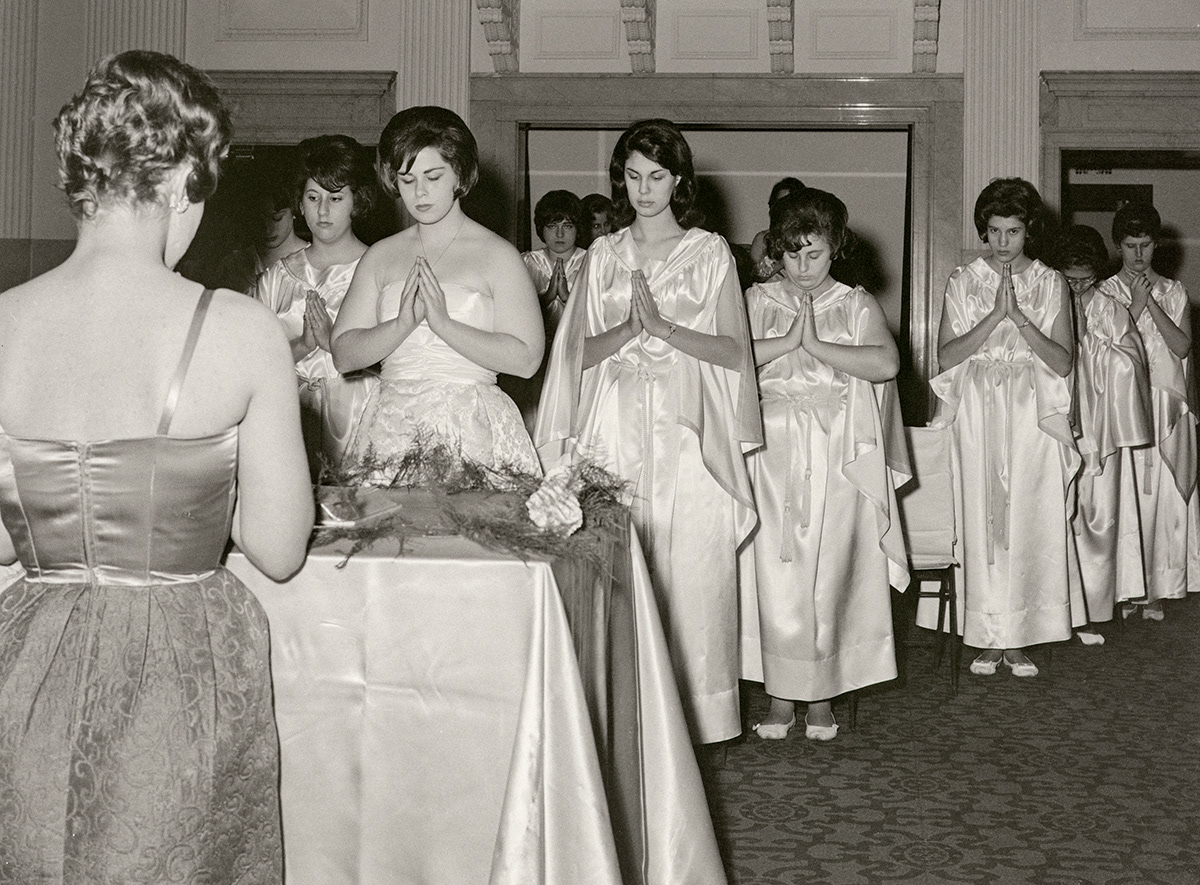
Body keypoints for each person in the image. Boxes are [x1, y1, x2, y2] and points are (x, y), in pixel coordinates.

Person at [0, 50, 313, 882]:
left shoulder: (4, 323)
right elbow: (279, 548)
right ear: (179, 181)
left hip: (28, 660)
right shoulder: (240, 329)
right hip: (178, 664)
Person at [535, 118, 762, 745]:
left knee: (690, 566)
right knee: (615, 561)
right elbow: (573, 354)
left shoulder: (710, 251)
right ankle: (615, 713)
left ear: (679, 180)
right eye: (633, 176)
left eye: (657, 176)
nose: (644, 189)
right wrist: (632, 330)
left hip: (687, 428)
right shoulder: (602, 257)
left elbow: (733, 352)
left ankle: (695, 716)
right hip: (613, 425)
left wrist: (664, 330)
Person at [743, 188, 910, 741]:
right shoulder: (756, 298)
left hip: (837, 454)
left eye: (813, 254)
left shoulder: (856, 303)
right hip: (772, 455)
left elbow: (886, 363)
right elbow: (728, 359)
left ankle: (821, 697)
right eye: (792, 255)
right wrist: (786, 339)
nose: (803, 266)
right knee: (777, 575)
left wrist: (813, 345)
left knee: (830, 574)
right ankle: (778, 695)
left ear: (835, 247)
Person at [332, 106, 543, 480]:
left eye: (433, 176)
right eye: (407, 179)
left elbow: (526, 359)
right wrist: (402, 324)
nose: (420, 192)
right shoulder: (382, 255)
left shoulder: (498, 255)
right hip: (391, 426)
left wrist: (444, 324)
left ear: (459, 173)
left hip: (472, 427)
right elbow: (344, 354)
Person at [921, 177, 1079, 678]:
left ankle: (1019, 634)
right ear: (983, 232)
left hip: (1031, 413)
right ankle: (987, 633)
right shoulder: (962, 281)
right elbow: (945, 357)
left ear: (1028, 230)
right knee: (982, 520)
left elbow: (1064, 360)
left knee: (1026, 520)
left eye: (1013, 231)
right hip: (977, 411)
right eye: (994, 232)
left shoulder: (1051, 282)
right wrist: (994, 317)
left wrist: (1023, 321)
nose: (1003, 243)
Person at [1096, 202, 1199, 618]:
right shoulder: (1104, 292)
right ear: (1118, 247)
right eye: (1130, 246)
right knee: (1128, 495)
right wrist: (1134, 304)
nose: (1138, 255)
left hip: (1165, 401)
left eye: (1146, 245)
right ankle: (1126, 586)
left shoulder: (1173, 290)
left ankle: (1158, 585)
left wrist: (1152, 302)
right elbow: (1109, 346)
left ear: (1156, 246)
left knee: (1162, 499)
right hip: (1126, 404)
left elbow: (1182, 346)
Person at [254, 134, 379, 476]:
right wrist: (305, 344)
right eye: (313, 197)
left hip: (361, 414)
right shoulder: (275, 279)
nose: (323, 211)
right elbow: (254, 363)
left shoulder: (379, 269)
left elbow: (400, 363)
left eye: (335, 198)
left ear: (357, 201)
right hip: (289, 415)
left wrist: (335, 346)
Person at [1052, 224, 1152, 642]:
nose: (1076, 289)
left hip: (1102, 426)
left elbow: (1133, 362)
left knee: (1100, 516)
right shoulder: (1049, 303)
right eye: (1068, 280)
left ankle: (1094, 606)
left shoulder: (1111, 308)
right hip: (1059, 425)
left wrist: (1093, 348)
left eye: (1085, 280)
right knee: (1057, 513)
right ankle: (1059, 609)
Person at [211, 153, 308, 294]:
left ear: (294, 211)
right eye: (259, 219)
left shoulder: (315, 265)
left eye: (276, 218)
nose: (267, 229)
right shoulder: (233, 265)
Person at [522, 189, 587, 335]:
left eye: (567, 226)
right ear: (541, 229)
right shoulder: (526, 263)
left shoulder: (592, 263)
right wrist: (547, 298)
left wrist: (566, 297)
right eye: (552, 226)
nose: (560, 234)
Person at [749, 176, 805, 283]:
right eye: (779, 204)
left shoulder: (811, 240)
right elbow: (755, 278)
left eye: (789, 203)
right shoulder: (763, 239)